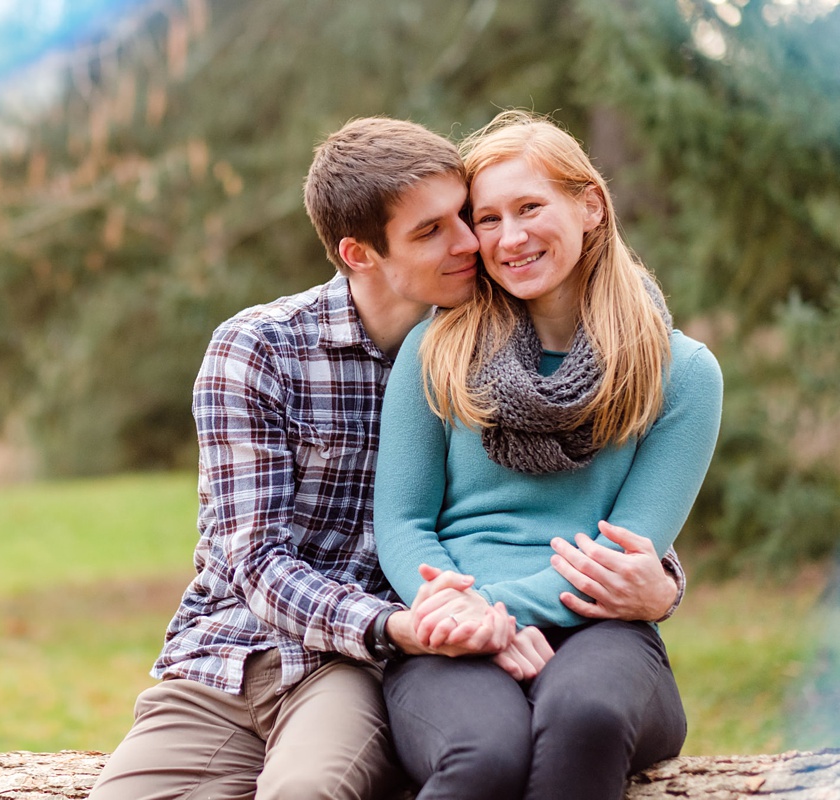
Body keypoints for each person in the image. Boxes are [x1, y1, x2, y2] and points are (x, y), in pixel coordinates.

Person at [89, 116, 688, 800]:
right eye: (434, 231)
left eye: (466, 216)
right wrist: (410, 624)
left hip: (361, 671)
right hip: (235, 653)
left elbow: (564, 498)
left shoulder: (489, 354)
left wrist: (661, 578)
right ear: (359, 253)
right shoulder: (261, 351)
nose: (474, 242)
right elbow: (252, 560)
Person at [373, 110, 724, 800]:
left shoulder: (681, 373)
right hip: (448, 628)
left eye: (530, 207)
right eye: (490, 218)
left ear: (590, 204)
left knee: (582, 717)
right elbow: (403, 523)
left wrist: (492, 614)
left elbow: (619, 562)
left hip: (602, 636)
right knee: (485, 754)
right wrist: (464, 624)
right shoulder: (436, 351)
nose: (511, 237)